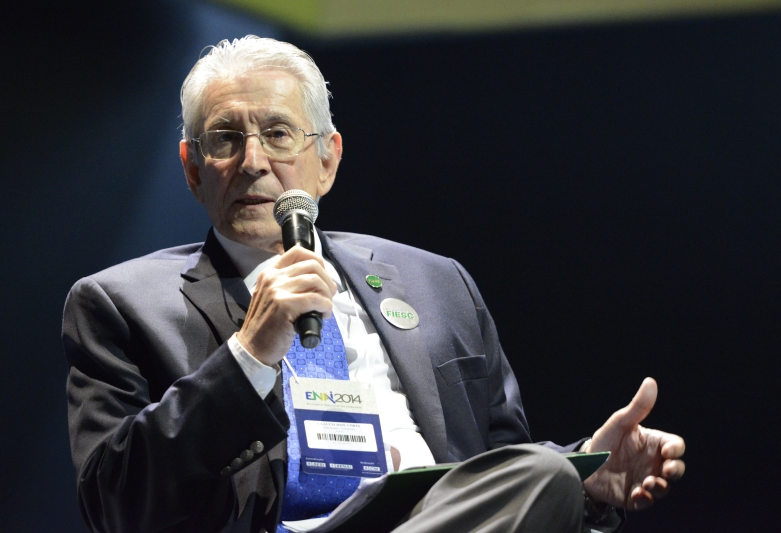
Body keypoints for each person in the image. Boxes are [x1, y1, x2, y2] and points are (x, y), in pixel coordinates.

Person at [63, 36, 685, 533]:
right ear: (193, 169)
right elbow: (115, 507)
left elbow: (501, 472)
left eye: (278, 133)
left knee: (545, 474)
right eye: (225, 138)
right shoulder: (120, 305)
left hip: (436, 517)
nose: (252, 160)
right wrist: (248, 357)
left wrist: (585, 477)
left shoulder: (436, 283)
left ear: (328, 159)